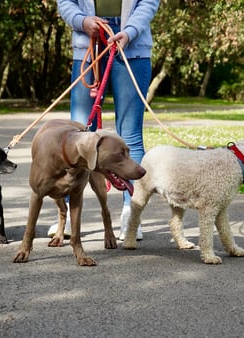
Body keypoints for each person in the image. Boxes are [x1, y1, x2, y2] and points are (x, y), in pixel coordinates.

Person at [49, 0, 160, 240]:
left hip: (133, 47)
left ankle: (132, 213)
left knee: (130, 133)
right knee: (79, 135)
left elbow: (148, 3)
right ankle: (66, 212)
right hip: (88, 43)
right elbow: (65, 2)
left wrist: (129, 32)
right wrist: (82, 21)